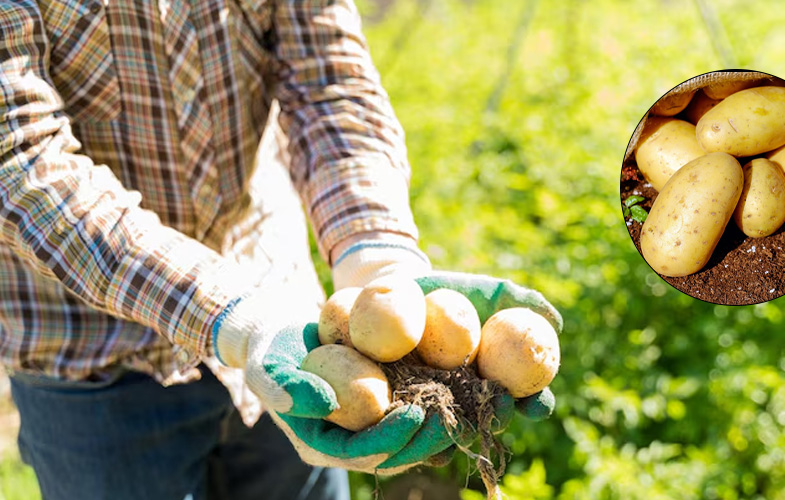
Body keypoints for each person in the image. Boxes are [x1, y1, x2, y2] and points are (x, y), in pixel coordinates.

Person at [0, 0, 561, 498]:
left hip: (288, 331)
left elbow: (328, 83)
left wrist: (378, 257)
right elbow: (21, 163)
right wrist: (235, 319)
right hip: (92, 358)